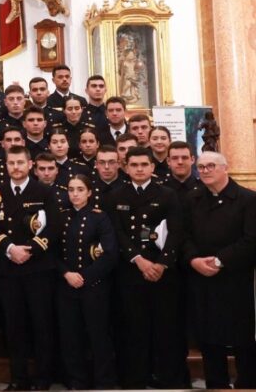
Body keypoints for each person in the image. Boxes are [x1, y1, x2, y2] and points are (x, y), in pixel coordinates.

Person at [103, 146, 187, 389]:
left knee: (166, 328)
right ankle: (135, 379)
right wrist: (139, 260)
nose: (139, 169)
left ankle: (168, 379)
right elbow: (116, 233)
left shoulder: (168, 194)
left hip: (163, 271)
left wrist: (161, 264)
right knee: (133, 328)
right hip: (131, 271)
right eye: (134, 165)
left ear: (153, 167)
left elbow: (177, 232)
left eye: (144, 165)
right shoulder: (114, 196)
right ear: (125, 167)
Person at [181, 151, 256, 389]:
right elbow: (183, 236)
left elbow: (251, 239)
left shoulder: (248, 199)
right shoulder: (192, 199)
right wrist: (193, 260)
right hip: (202, 279)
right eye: (201, 167)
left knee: (243, 339)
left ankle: (247, 385)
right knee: (208, 337)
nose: (205, 171)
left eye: (211, 166)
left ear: (225, 168)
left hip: (236, 279)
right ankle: (216, 385)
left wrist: (219, 260)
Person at [0, 145, 59, 390]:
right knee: (14, 326)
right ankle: (19, 378)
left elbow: (53, 227)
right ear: (6, 166)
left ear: (30, 165)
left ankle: (43, 378)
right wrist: (10, 249)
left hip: (38, 268)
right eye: (11, 163)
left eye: (20, 162)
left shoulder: (44, 191)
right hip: (7, 269)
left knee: (41, 325)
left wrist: (30, 250)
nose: (15, 167)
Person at [56, 173, 118, 390]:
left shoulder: (99, 217)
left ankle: (104, 381)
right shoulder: (61, 216)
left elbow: (110, 253)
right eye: (71, 189)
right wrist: (66, 274)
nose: (75, 194)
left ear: (89, 192)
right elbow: (53, 253)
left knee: (98, 335)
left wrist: (86, 277)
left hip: (94, 285)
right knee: (71, 336)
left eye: (80, 189)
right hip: (67, 285)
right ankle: (76, 381)